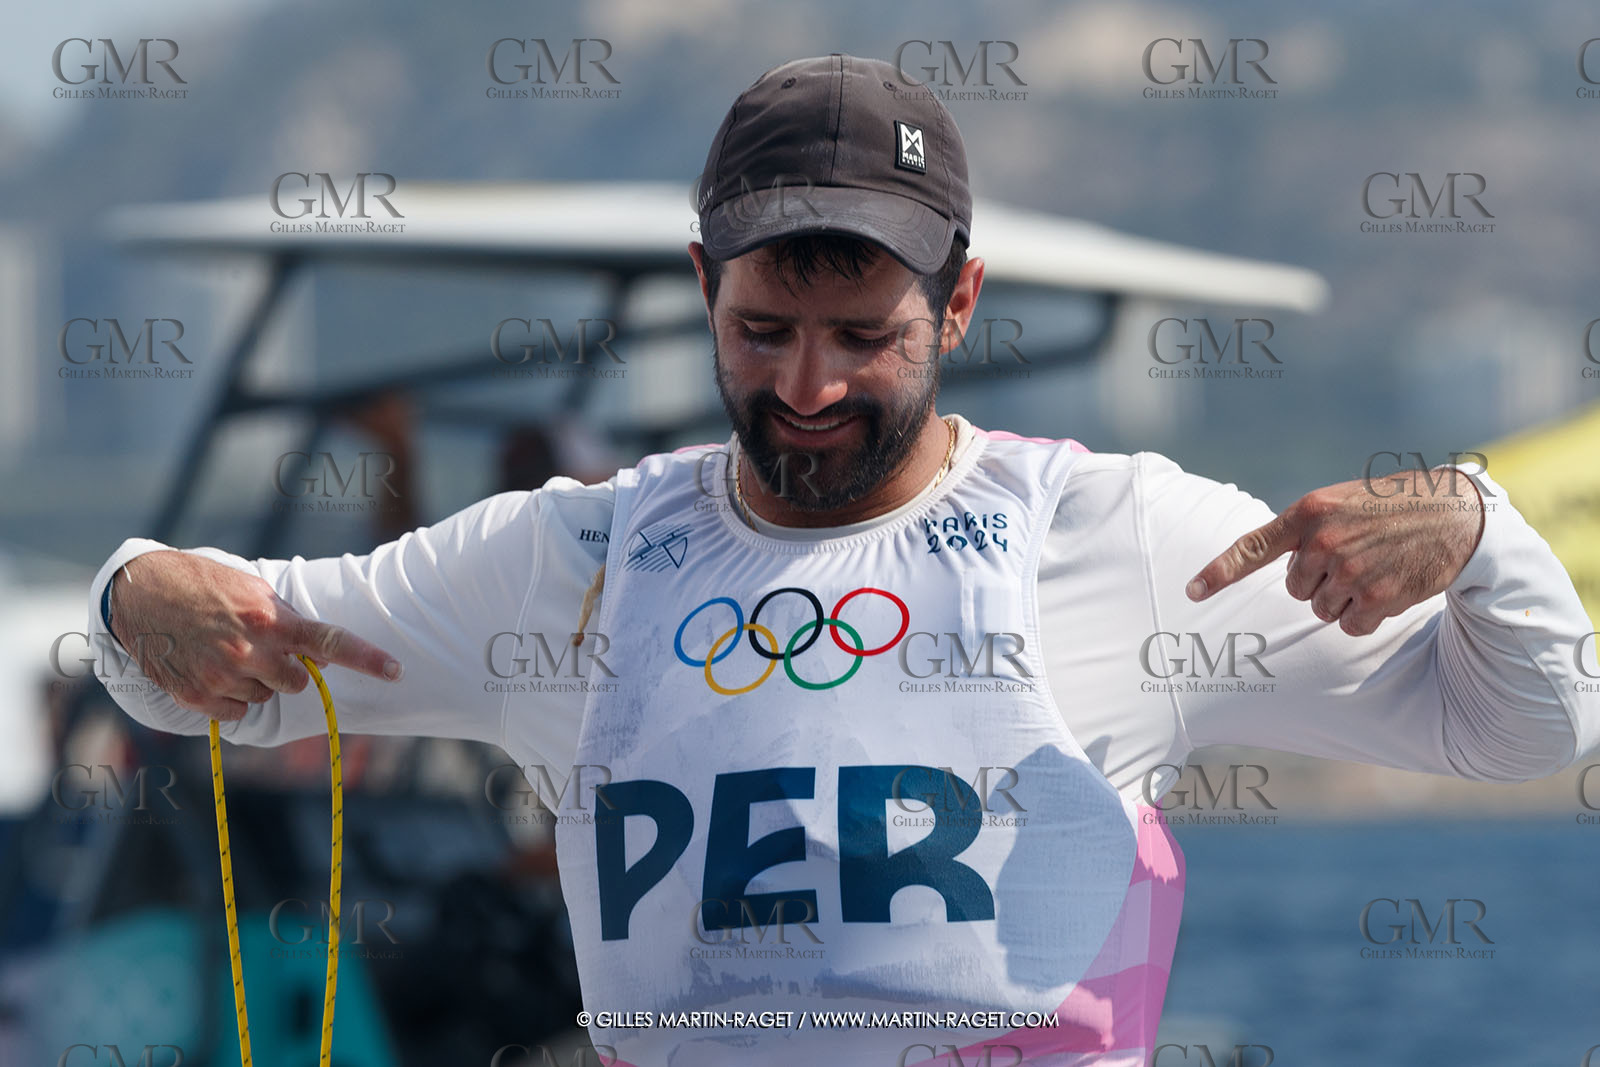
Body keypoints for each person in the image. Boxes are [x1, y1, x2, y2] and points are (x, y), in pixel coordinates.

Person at [87, 55, 1599, 1066]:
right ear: (701, 286)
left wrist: (1478, 529)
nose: (807, 388)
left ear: (958, 305)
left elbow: (1526, 725)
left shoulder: (1120, 538)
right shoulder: (575, 559)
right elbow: (211, 687)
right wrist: (130, 592)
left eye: (864, 338)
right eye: (761, 332)